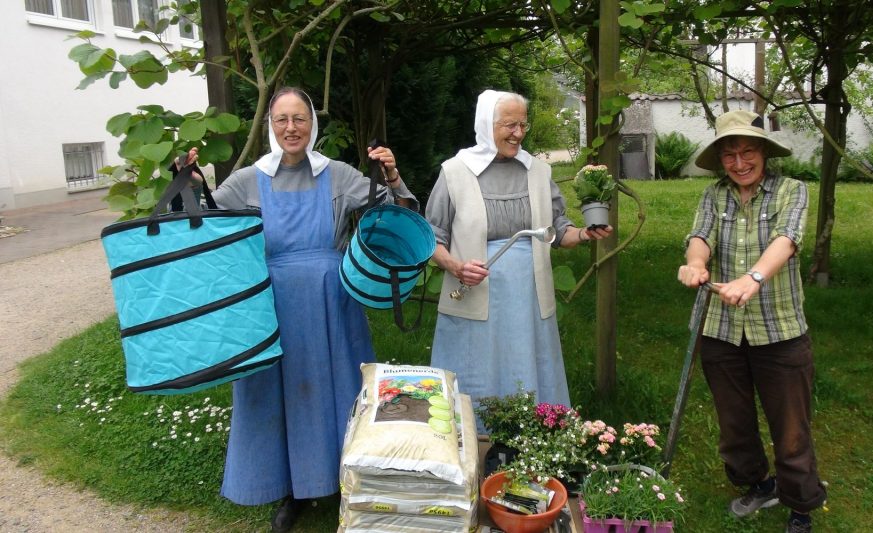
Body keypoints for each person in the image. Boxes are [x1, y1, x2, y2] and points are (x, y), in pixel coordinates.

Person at [184, 87, 418, 532]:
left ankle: (345, 477)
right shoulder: (250, 179)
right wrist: (194, 184)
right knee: (278, 392)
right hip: (270, 304)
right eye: (281, 120)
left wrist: (391, 174)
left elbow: (398, 215)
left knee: (337, 388)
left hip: (332, 300)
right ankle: (290, 488)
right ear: (271, 127)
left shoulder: (338, 173)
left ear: (312, 124)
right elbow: (210, 221)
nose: (291, 128)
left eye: (299, 119)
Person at [676, 110, 827, 533]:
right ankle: (759, 484)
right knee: (734, 422)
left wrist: (753, 277)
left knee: (791, 426)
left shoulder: (791, 191)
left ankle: (800, 504)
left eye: (748, 152)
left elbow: (787, 239)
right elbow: (699, 237)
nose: (739, 163)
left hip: (779, 329)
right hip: (720, 328)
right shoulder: (713, 196)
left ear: (764, 153)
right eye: (730, 155)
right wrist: (695, 264)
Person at [425, 89, 612, 425]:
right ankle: (475, 444)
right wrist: (455, 266)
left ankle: (532, 442)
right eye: (509, 125)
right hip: (475, 294)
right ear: (485, 124)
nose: (519, 133)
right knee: (477, 371)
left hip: (528, 297)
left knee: (528, 368)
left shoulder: (537, 172)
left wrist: (583, 234)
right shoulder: (455, 172)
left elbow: (557, 230)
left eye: (523, 125)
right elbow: (432, 239)